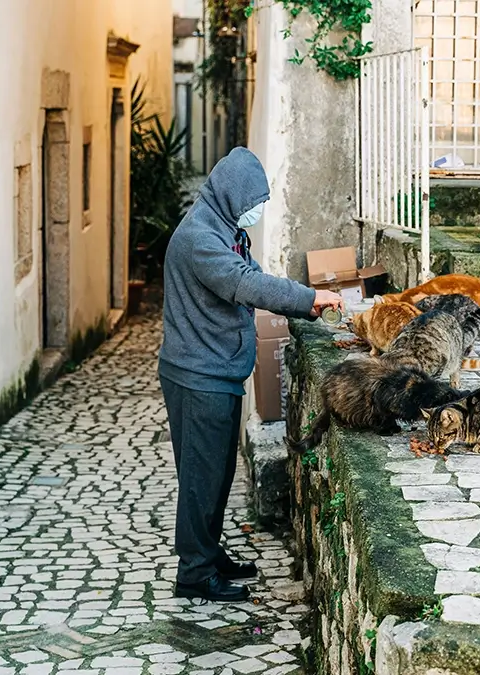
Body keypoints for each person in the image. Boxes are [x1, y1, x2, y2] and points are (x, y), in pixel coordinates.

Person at [158, 147, 343, 602]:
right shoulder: (201, 237)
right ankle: (195, 574)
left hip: (213, 370)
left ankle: (207, 552)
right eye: (252, 202)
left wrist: (305, 300)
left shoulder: (222, 227)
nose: (256, 211)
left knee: (217, 474)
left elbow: (249, 273)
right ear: (230, 194)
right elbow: (245, 283)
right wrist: (307, 296)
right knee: (202, 478)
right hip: (198, 376)